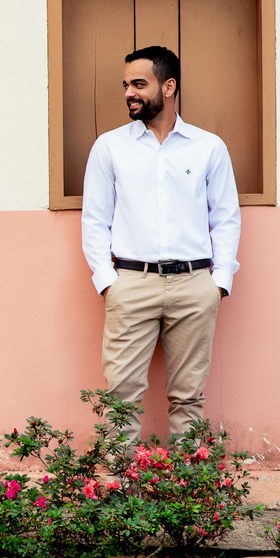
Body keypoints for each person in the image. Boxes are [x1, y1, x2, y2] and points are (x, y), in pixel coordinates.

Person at [80, 46, 240, 445]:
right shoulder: (109, 147)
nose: (129, 93)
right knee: (121, 395)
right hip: (131, 283)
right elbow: (95, 218)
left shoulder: (208, 147)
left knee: (189, 395)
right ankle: (118, 477)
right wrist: (107, 281)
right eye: (126, 85)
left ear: (168, 87)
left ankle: (188, 477)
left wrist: (219, 281)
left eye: (139, 84)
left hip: (194, 284)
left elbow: (225, 217)